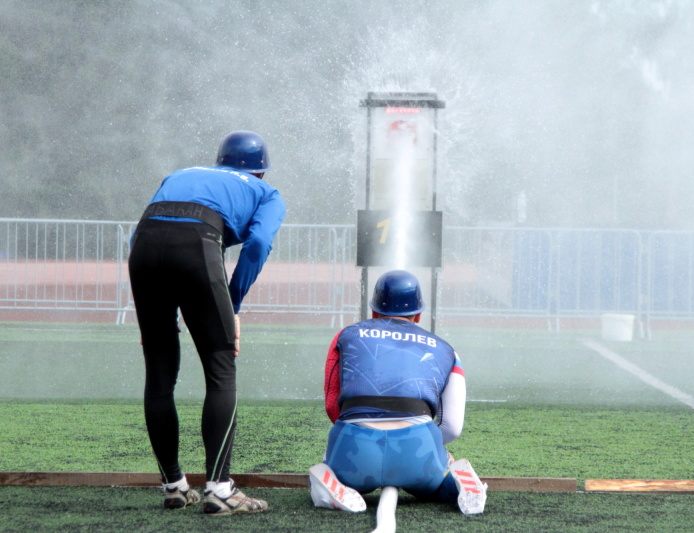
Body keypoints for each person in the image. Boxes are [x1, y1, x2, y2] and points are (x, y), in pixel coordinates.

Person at [128, 130, 286, 514]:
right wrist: (232, 306)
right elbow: (259, 243)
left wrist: (149, 312)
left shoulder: (180, 174)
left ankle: (174, 486)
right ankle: (220, 488)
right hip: (197, 245)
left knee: (160, 372)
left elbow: (139, 235)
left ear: (219, 161)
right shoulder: (267, 193)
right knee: (221, 367)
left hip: (145, 249)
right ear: (262, 171)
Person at [309, 270, 487, 515]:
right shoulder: (448, 350)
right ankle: (458, 482)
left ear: (373, 311)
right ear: (419, 314)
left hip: (355, 445)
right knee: (438, 482)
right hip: (418, 447)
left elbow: (332, 405)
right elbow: (452, 427)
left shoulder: (346, 335)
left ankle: (329, 479)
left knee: (329, 466)